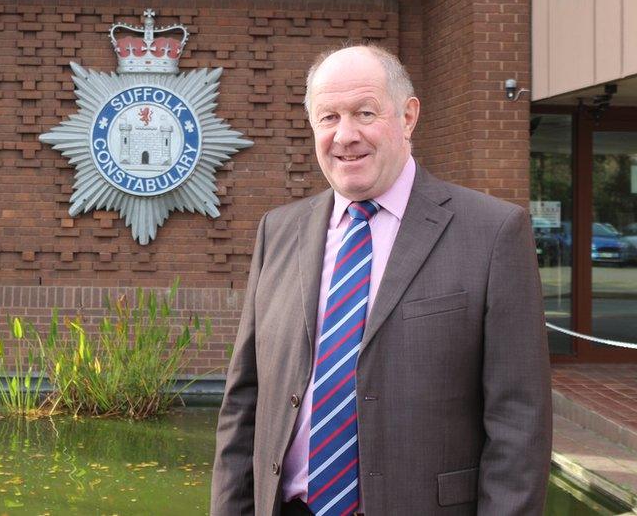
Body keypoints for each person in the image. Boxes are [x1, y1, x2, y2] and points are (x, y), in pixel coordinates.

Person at [210, 44, 551, 516]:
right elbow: (244, 401)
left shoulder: (492, 233)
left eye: (364, 113)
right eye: (328, 117)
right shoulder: (278, 230)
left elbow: (519, 423)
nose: (345, 135)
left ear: (408, 116)